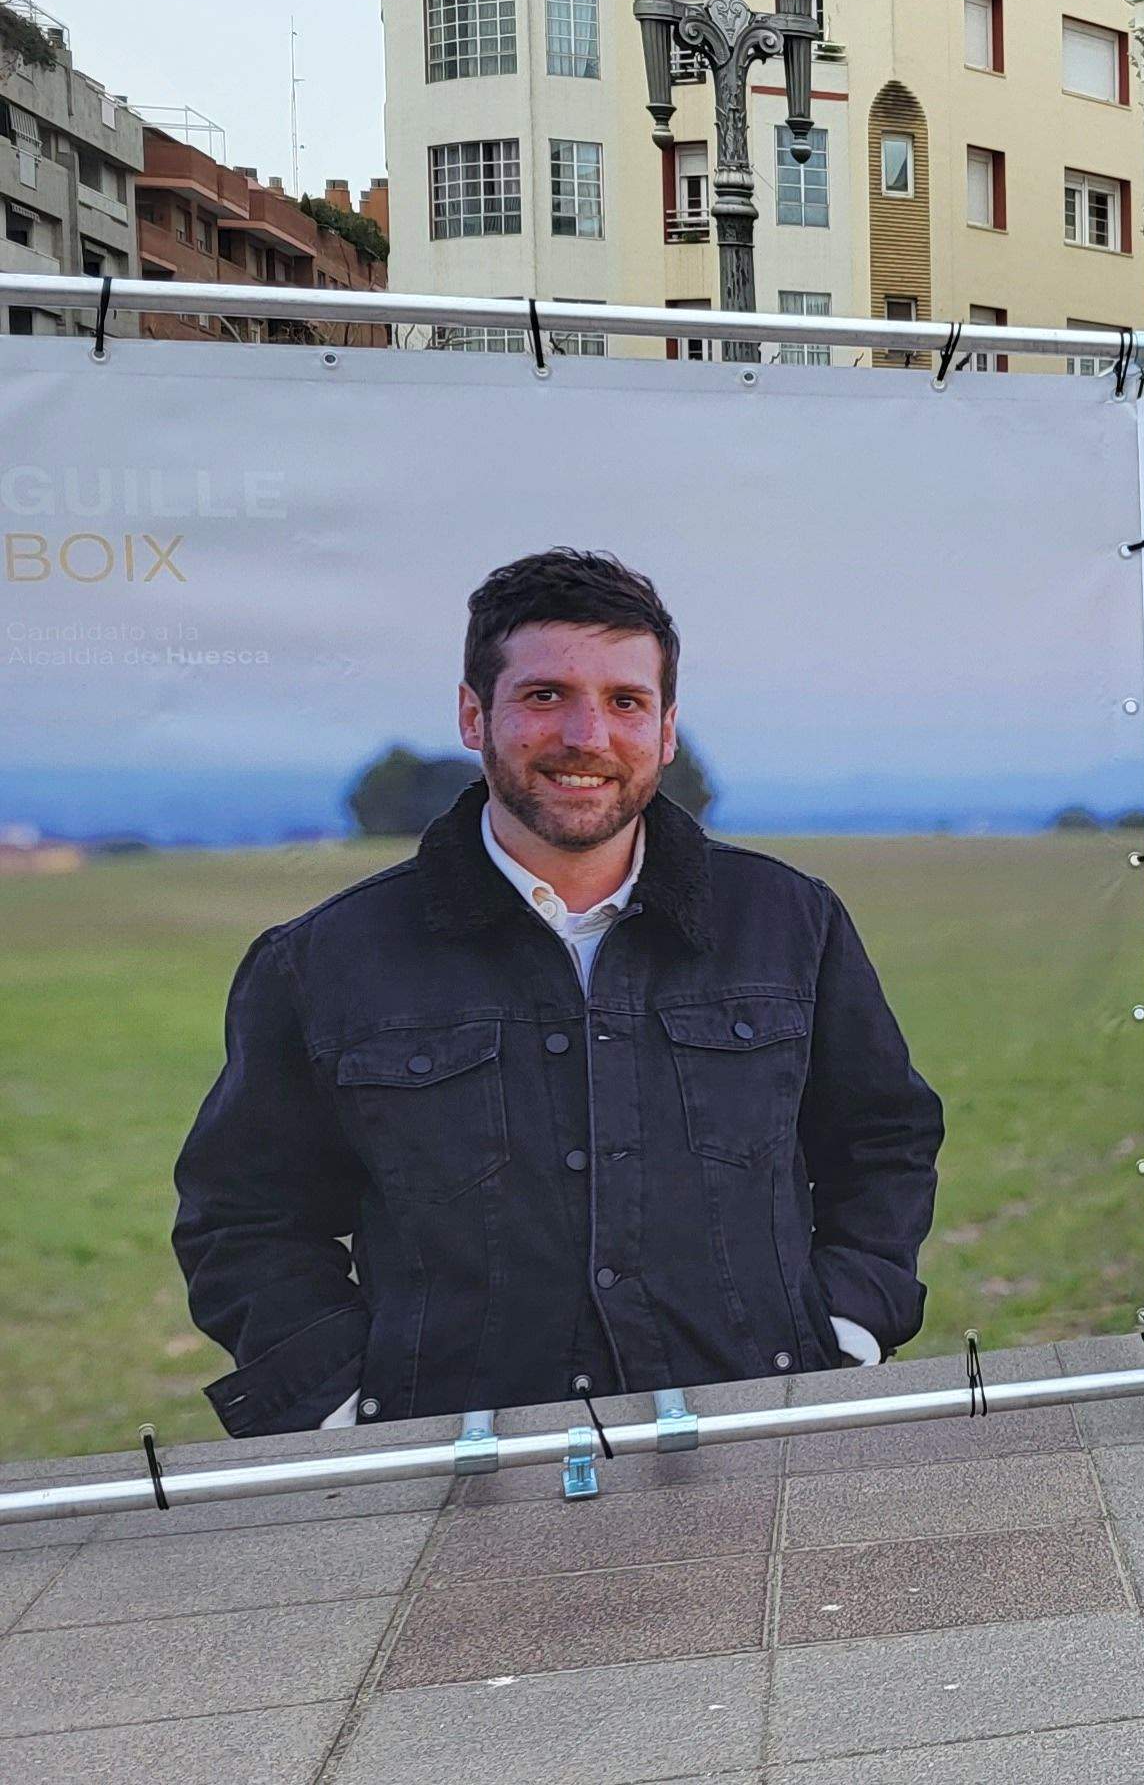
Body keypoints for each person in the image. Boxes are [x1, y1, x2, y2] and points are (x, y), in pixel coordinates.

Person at [171, 550, 945, 1436]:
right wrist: (349, 1402)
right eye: (545, 696)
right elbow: (242, 1220)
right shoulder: (323, 962)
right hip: (455, 1462)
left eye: (625, 701)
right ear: (474, 715)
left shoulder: (790, 924)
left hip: (757, 1429)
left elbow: (885, 1142)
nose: (588, 737)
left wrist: (843, 1330)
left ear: (666, 729)